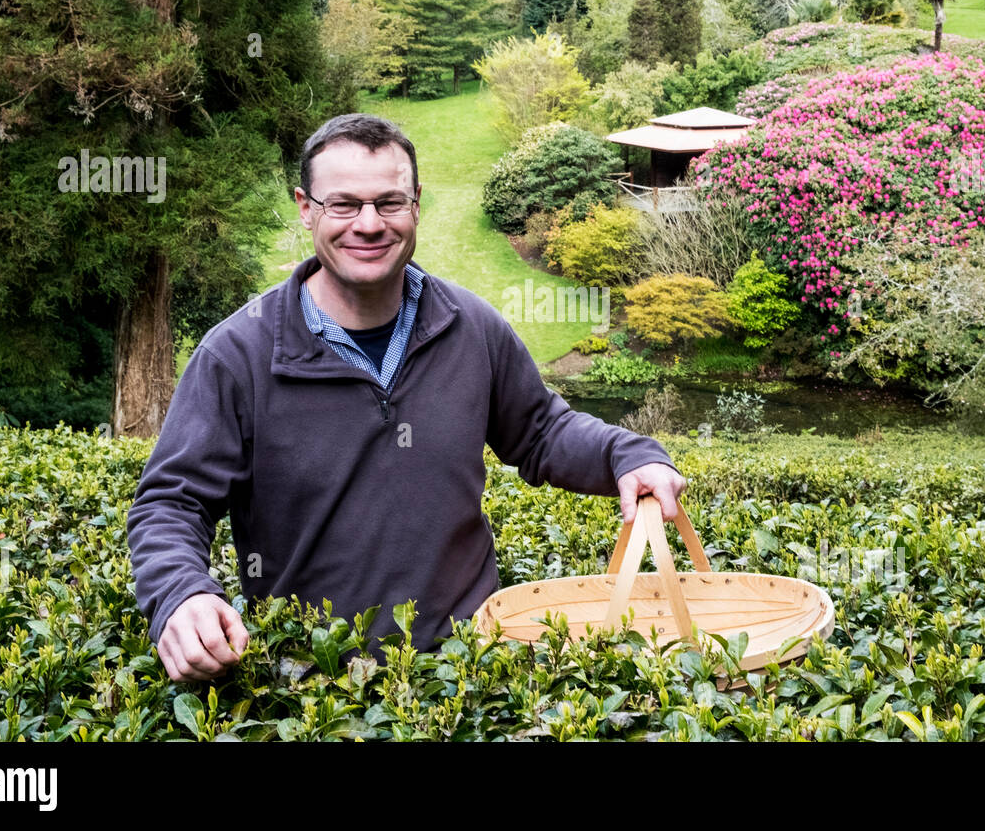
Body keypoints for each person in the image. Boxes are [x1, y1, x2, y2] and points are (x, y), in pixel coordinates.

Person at [127, 113, 686, 684]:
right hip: (312, 688)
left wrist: (627, 454)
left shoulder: (471, 326)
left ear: (416, 203)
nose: (368, 225)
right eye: (343, 204)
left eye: (388, 202)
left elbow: (541, 431)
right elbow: (172, 502)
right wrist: (181, 594)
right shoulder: (236, 354)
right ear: (305, 207)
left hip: (469, 678)